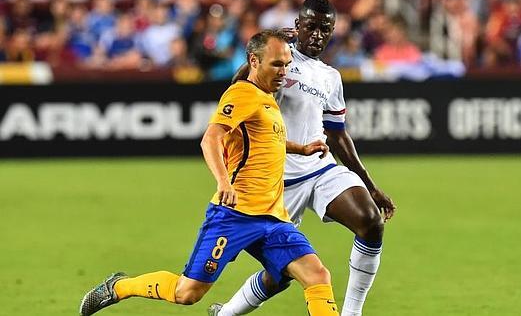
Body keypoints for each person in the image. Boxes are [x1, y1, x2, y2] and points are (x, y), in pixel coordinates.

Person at [78, 29, 340, 316]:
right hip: (234, 215)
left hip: (274, 217)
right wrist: (223, 181)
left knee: (317, 275)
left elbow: (265, 141)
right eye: (277, 64)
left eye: (287, 64)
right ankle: (119, 287)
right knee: (187, 293)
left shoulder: (267, 98)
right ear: (254, 61)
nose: (284, 71)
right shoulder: (243, 94)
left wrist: (299, 149)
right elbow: (211, 138)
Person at [210, 0, 396, 316]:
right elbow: (240, 85)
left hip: (321, 168)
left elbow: (337, 133)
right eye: (311, 27)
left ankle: (352, 313)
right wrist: (273, 44)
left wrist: (370, 184)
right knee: (279, 275)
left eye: (326, 29)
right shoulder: (281, 60)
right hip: (278, 180)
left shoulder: (330, 77)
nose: (318, 35)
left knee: (370, 221)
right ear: (297, 26)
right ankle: (225, 313)